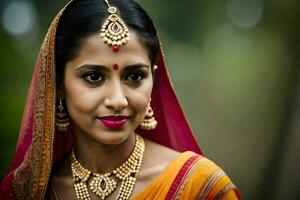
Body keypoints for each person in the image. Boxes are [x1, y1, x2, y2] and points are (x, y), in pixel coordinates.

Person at [0, 0, 240, 199]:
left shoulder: (199, 188)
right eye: (94, 77)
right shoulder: (27, 192)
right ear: (59, 84)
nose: (117, 100)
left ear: (153, 78)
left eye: (135, 76)